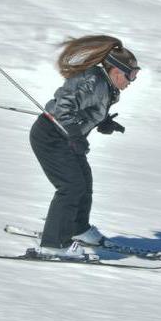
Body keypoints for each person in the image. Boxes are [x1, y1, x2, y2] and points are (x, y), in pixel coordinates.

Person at [29, 35, 140, 258]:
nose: (132, 80)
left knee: (84, 182)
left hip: (68, 138)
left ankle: (78, 228)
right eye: (132, 74)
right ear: (117, 71)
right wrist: (74, 133)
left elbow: (88, 107)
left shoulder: (107, 86)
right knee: (70, 186)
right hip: (51, 136)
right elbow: (64, 105)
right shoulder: (93, 81)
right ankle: (54, 244)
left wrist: (104, 122)